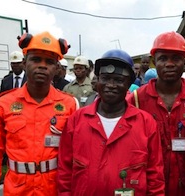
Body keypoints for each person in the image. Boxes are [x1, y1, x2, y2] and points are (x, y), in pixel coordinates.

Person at [57, 49, 165, 195]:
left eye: (119, 80)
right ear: (97, 81)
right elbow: (64, 174)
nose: (111, 85)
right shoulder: (76, 121)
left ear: (129, 84)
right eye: (105, 78)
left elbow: (155, 178)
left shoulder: (146, 124)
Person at [0, 31, 78, 195]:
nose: (42, 65)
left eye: (49, 61)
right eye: (36, 59)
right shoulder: (3, 105)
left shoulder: (69, 105)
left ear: (56, 68)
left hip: (54, 189)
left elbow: (77, 156)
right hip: (17, 189)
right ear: (25, 62)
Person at [127, 31, 185, 196]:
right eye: (163, 59)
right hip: (151, 185)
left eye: (176, 58)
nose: (169, 64)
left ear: (184, 62)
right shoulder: (137, 99)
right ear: (154, 62)